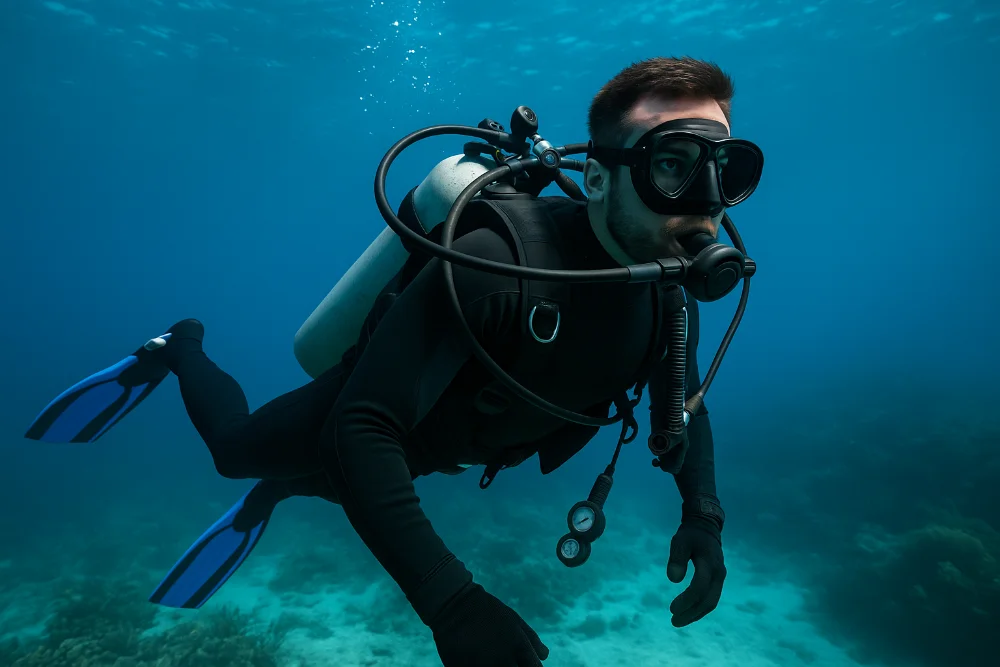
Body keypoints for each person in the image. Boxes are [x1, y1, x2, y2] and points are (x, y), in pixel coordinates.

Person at [26, 56, 762, 667]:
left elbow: (685, 400)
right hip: (376, 405)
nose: (706, 201)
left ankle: (284, 490)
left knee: (344, 480)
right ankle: (179, 346)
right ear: (600, 175)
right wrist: (452, 602)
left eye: (726, 169)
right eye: (672, 163)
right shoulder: (495, 262)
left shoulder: (668, 287)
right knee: (236, 452)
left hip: (441, 438)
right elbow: (364, 426)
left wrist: (704, 513)